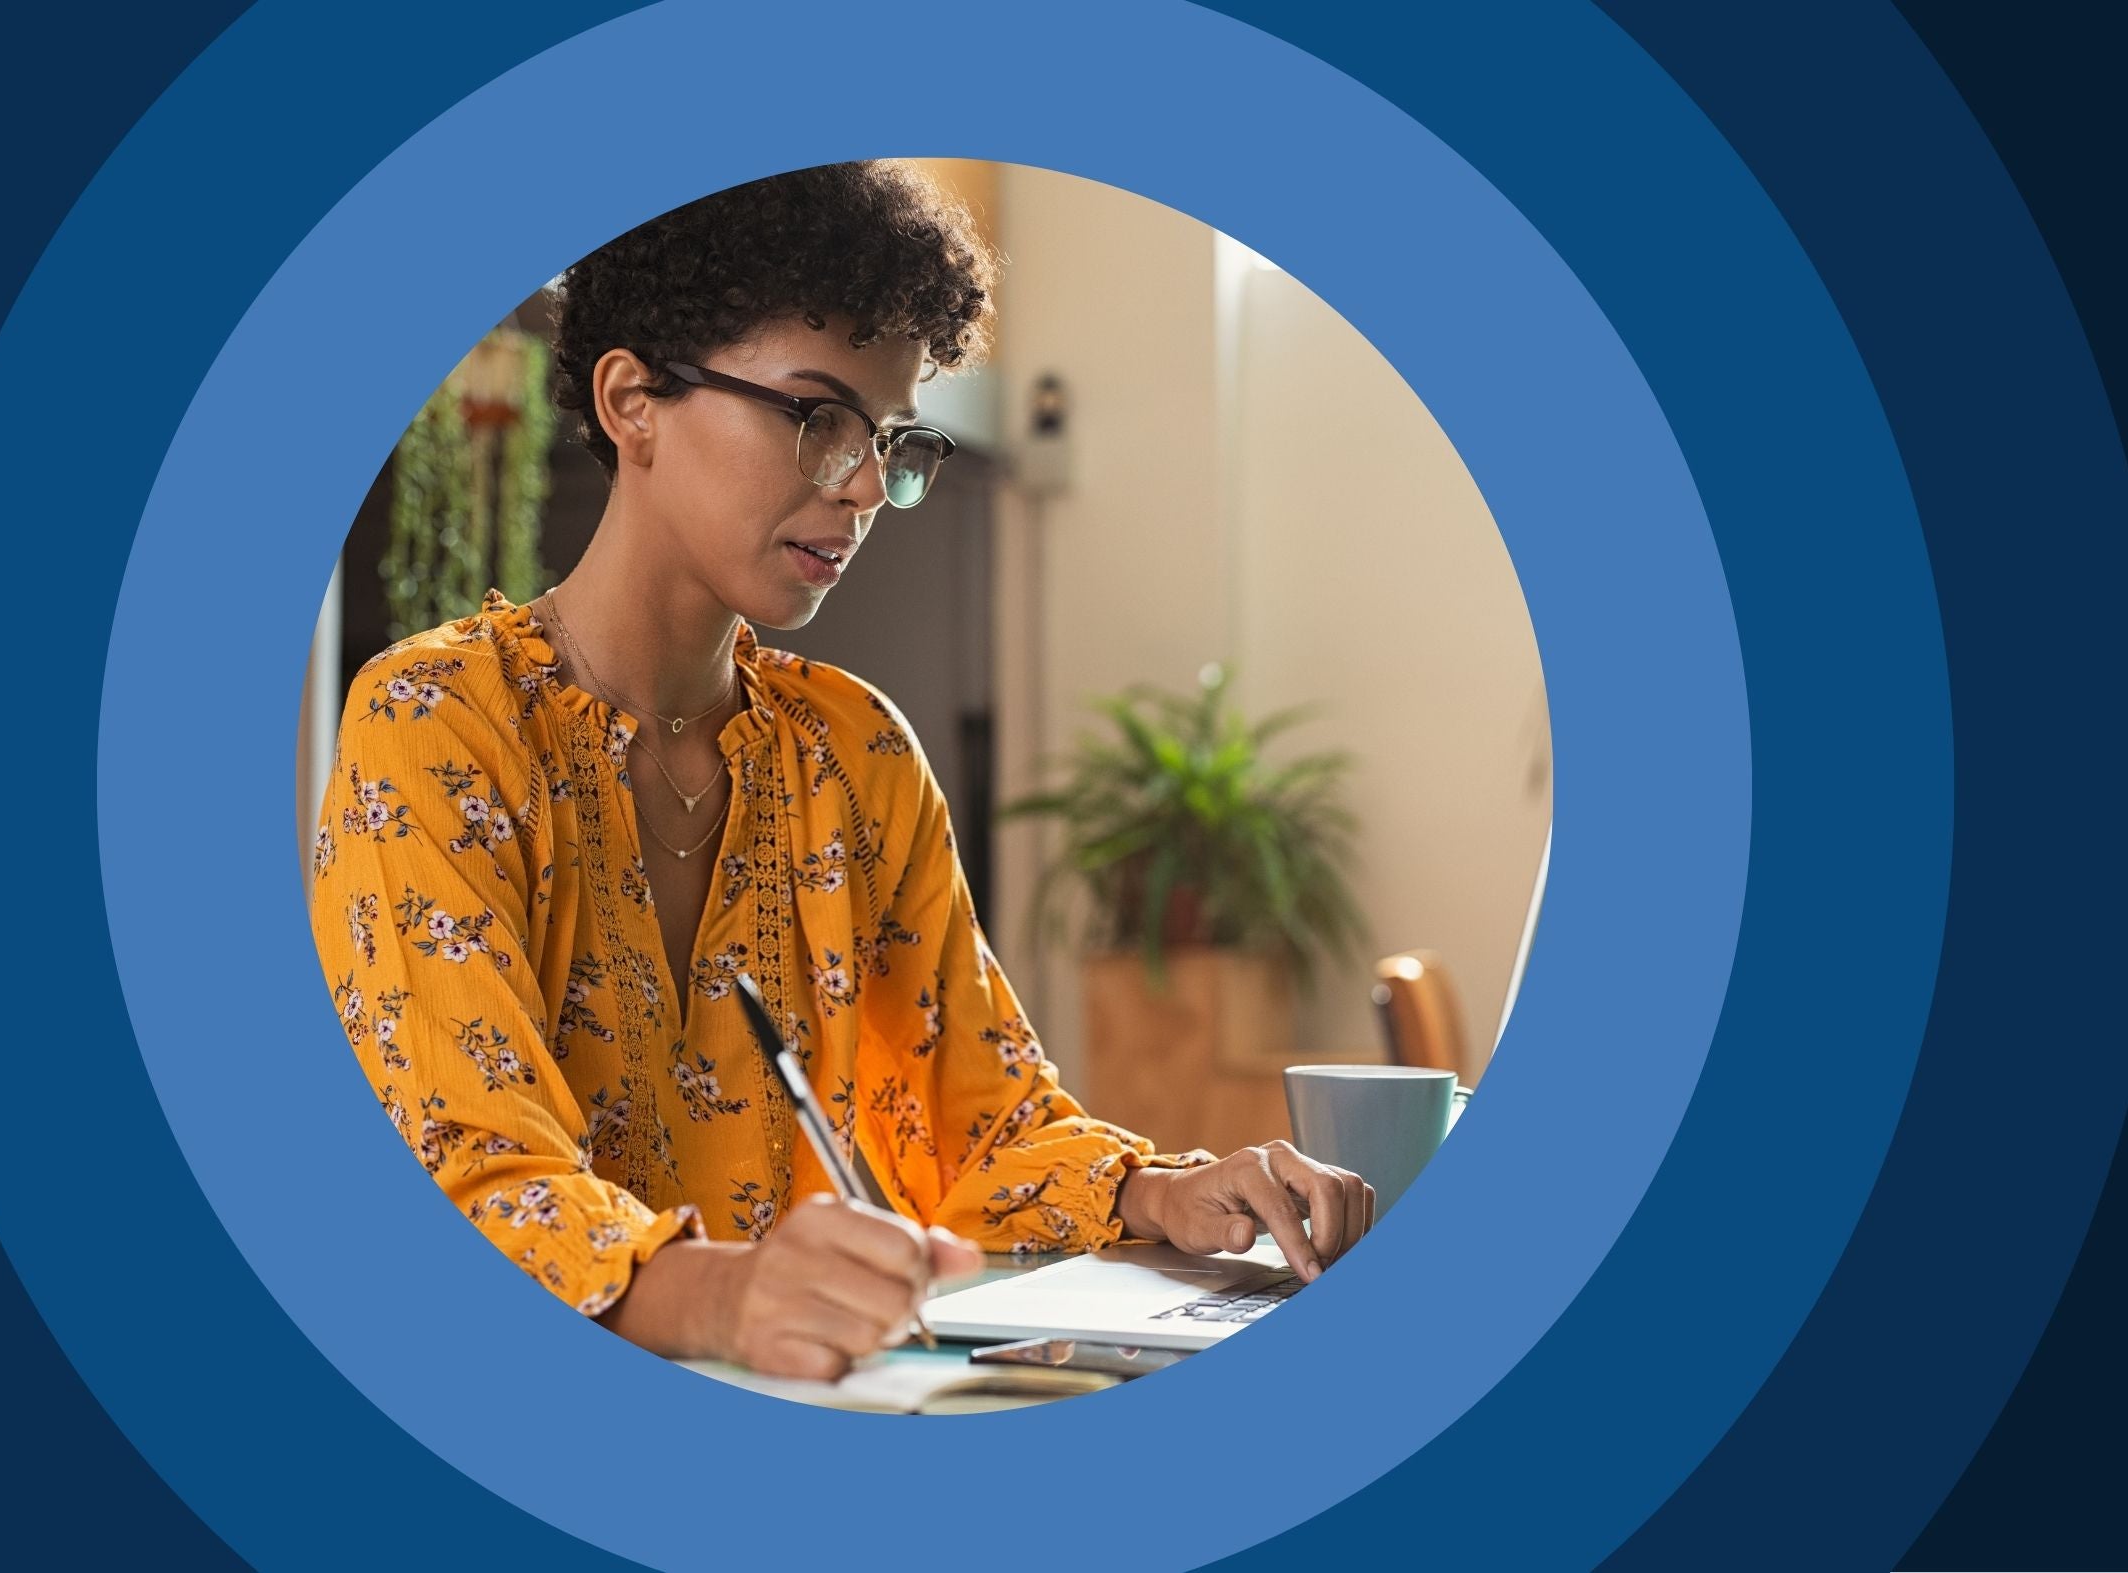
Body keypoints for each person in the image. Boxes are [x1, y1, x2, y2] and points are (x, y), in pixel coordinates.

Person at [308, 160, 1374, 1381]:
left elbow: (990, 1124)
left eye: (891, 438)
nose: (867, 485)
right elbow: (456, 1167)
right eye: (818, 419)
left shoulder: (855, 752)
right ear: (630, 400)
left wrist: (1166, 1190)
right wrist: (728, 1295)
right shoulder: (436, 724)